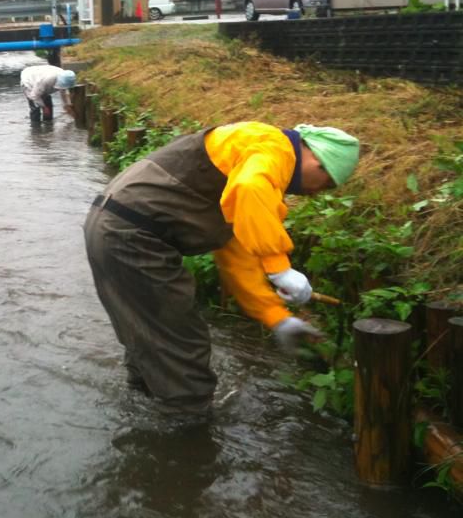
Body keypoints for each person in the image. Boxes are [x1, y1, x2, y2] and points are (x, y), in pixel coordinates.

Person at [83, 121, 360, 416]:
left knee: (153, 334)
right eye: (327, 183)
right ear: (317, 159)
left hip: (115, 228)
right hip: (132, 236)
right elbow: (250, 188)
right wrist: (278, 266)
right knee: (182, 343)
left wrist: (275, 316)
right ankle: (186, 433)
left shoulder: (248, 156)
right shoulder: (273, 149)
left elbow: (236, 253)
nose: (318, 193)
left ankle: (145, 411)